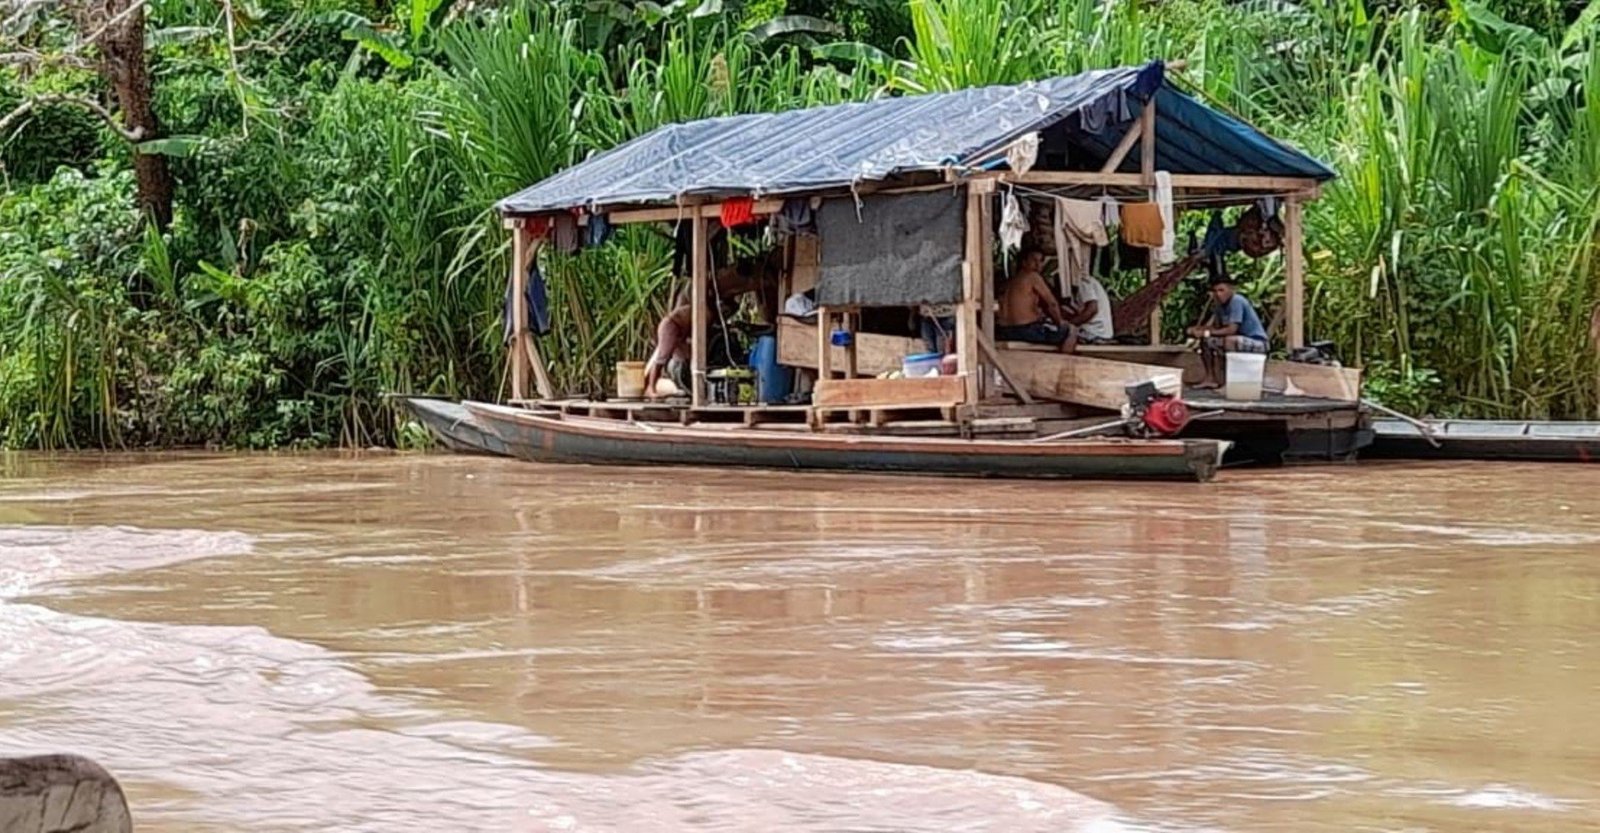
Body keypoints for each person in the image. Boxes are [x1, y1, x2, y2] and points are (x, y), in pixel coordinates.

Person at [1186, 276, 1268, 389]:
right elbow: (1215, 327)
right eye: (1215, 291)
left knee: (1229, 340)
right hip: (1237, 340)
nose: (1218, 294)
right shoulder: (1219, 306)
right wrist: (1197, 330)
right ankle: (1210, 378)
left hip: (1257, 342)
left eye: (1221, 290)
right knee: (1207, 341)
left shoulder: (1237, 301)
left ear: (1231, 290)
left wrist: (1206, 333)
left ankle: (1229, 382)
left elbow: (1231, 330)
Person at [996, 248, 1076, 352]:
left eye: (1041, 261)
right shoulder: (1032, 276)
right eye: (1034, 260)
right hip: (1025, 331)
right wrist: (1060, 322)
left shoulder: (1010, 282)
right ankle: (1063, 363)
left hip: (1004, 331)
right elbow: (1052, 304)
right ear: (1024, 262)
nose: (1038, 265)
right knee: (1071, 331)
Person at [1063, 272, 1114, 343]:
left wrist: (1071, 323)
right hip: (1099, 332)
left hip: (1095, 332)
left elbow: (1092, 310)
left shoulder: (1082, 282)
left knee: (1061, 333)